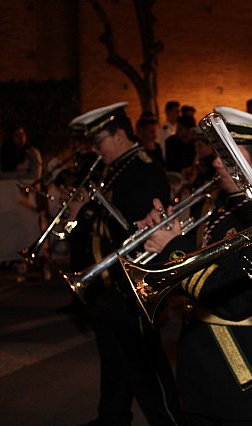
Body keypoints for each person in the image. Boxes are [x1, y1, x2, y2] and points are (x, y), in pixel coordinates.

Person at [138, 106, 252, 426]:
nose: (215, 161)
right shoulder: (216, 205)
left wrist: (173, 247)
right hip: (199, 362)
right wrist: (158, 237)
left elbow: (236, 301)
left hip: (243, 368)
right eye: (218, 153)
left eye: (227, 156)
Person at [66, 102, 179, 426]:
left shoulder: (142, 168)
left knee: (146, 365)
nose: (95, 149)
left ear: (118, 135)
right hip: (107, 280)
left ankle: (170, 421)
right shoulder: (112, 167)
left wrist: (85, 212)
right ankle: (112, 417)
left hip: (130, 282)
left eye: (99, 140)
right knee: (113, 359)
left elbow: (139, 230)